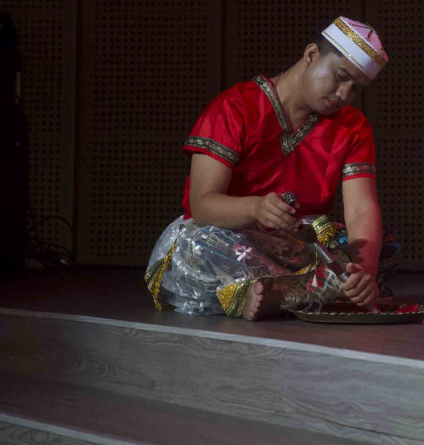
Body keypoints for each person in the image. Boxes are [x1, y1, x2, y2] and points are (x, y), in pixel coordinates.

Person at [144, 17, 398, 320]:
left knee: (378, 244)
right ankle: (312, 292)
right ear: (311, 54)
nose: (344, 94)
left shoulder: (352, 127)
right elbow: (202, 206)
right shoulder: (236, 107)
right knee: (199, 245)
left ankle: (284, 292)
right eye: (339, 77)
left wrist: (363, 273)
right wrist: (255, 208)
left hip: (295, 244)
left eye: (356, 89)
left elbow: (361, 210)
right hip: (230, 239)